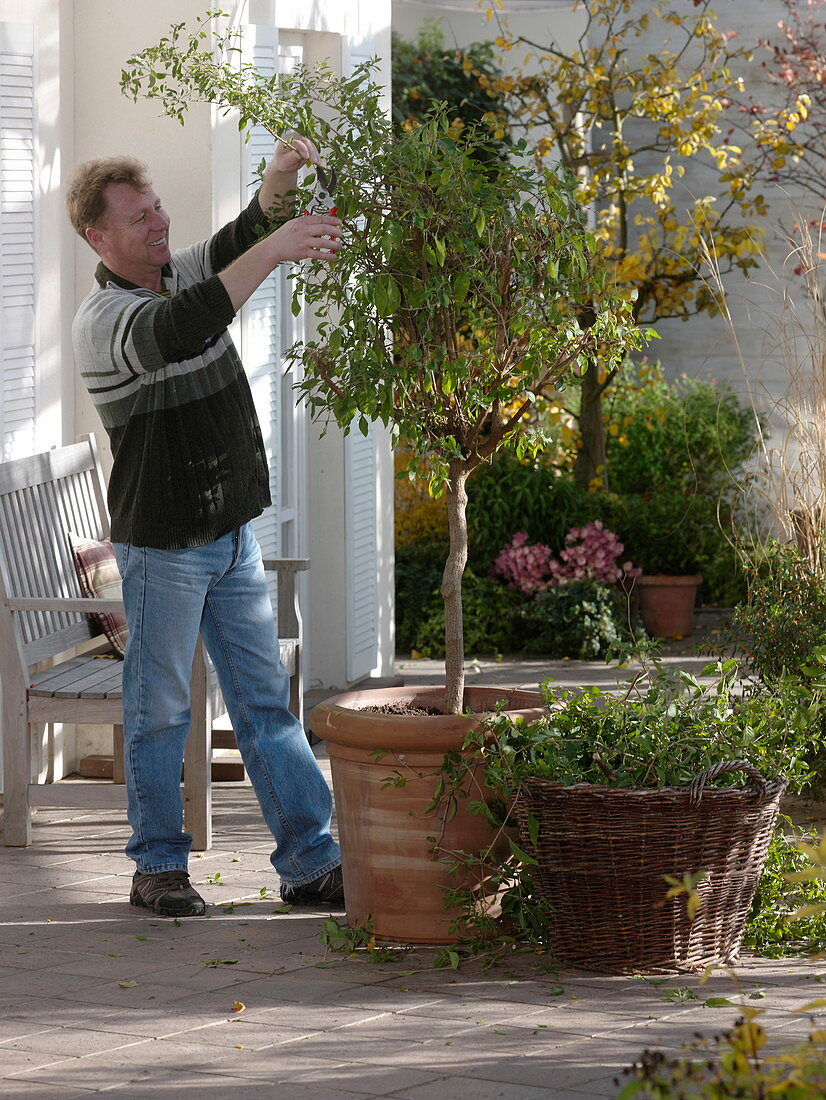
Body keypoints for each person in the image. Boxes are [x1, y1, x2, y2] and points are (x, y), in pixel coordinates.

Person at [66, 136, 345, 917]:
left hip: (230, 537)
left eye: (156, 208)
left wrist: (280, 181)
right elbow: (186, 326)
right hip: (162, 550)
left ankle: (309, 863)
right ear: (98, 237)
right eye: (139, 218)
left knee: (265, 705)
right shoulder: (106, 320)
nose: (158, 223)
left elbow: (244, 236)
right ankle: (157, 867)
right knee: (161, 711)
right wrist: (276, 249)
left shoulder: (176, 272)